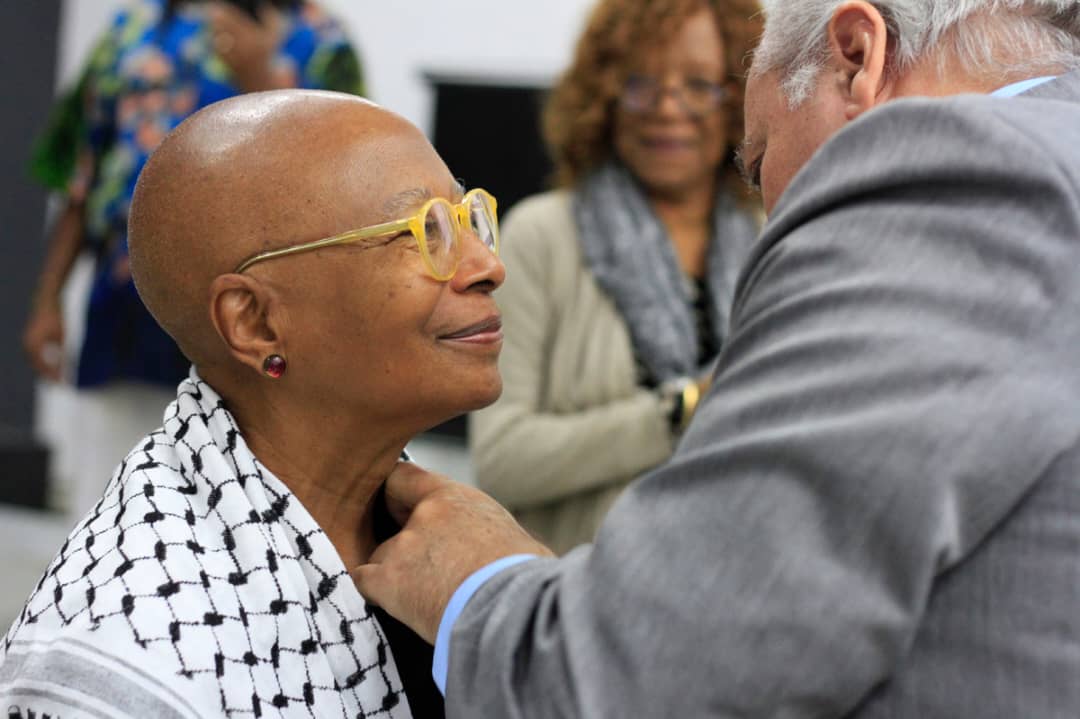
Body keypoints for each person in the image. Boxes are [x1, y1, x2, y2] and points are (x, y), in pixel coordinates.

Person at [354, 0, 1080, 716]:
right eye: (645, 84)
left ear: (858, 56)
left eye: (759, 160)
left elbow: (648, 673)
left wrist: (475, 582)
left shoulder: (942, 184)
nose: (775, 215)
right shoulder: (1039, 164)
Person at [1, 90, 508, 718]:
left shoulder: (429, 535)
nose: (487, 265)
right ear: (256, 322)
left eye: (466, 220)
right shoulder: (135, 652)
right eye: (423, 232)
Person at [23, 0, 364, 521]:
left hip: (259, 331)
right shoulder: (132, 30)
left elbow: (355, 182)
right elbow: (82, 174)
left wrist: (262, 83)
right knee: (110, 496)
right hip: (124, 312)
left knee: (227, 516)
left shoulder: (322, 41)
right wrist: (48, 300)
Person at [469, 0, 762, 554]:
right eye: (640, 83)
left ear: (738, 100)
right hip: (577, 594)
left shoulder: (772, 236)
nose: (668, 108)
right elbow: (501, 458)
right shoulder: (540, 236)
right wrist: (684, 409)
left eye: (699, 84)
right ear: (602, 97)